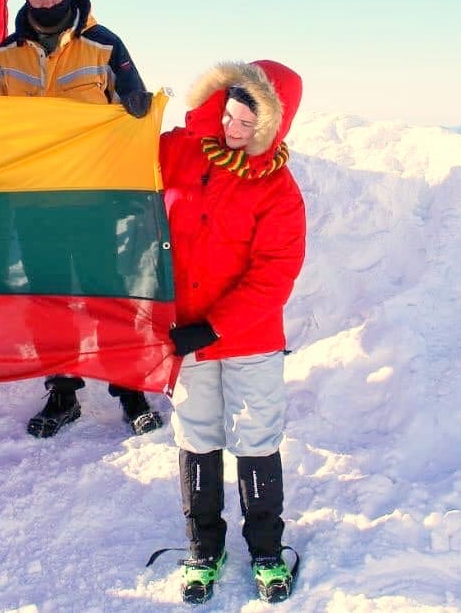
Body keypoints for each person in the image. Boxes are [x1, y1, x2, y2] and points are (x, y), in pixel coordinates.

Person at [0, 0, 161, 438]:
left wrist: (137, 105)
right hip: (35, 201)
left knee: (107, 293)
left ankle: (130, 389)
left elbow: (133, 106)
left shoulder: (103, 45)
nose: (47, 2)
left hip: (93, 199)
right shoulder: (4, 55)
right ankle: (62, 392)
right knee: (51, 300)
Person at [159, 60, 306, 604]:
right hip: (185, 331)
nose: (232, 129)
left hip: (249, 340)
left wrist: (212, 327)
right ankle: (204, 548)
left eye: (248, 122)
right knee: (195, 437)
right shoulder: (180, 151)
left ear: (271, 125)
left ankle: (266, 550)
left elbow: (274, 275)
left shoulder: (279, 189)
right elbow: (122, 163)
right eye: (228, 115)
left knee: (255, 439)